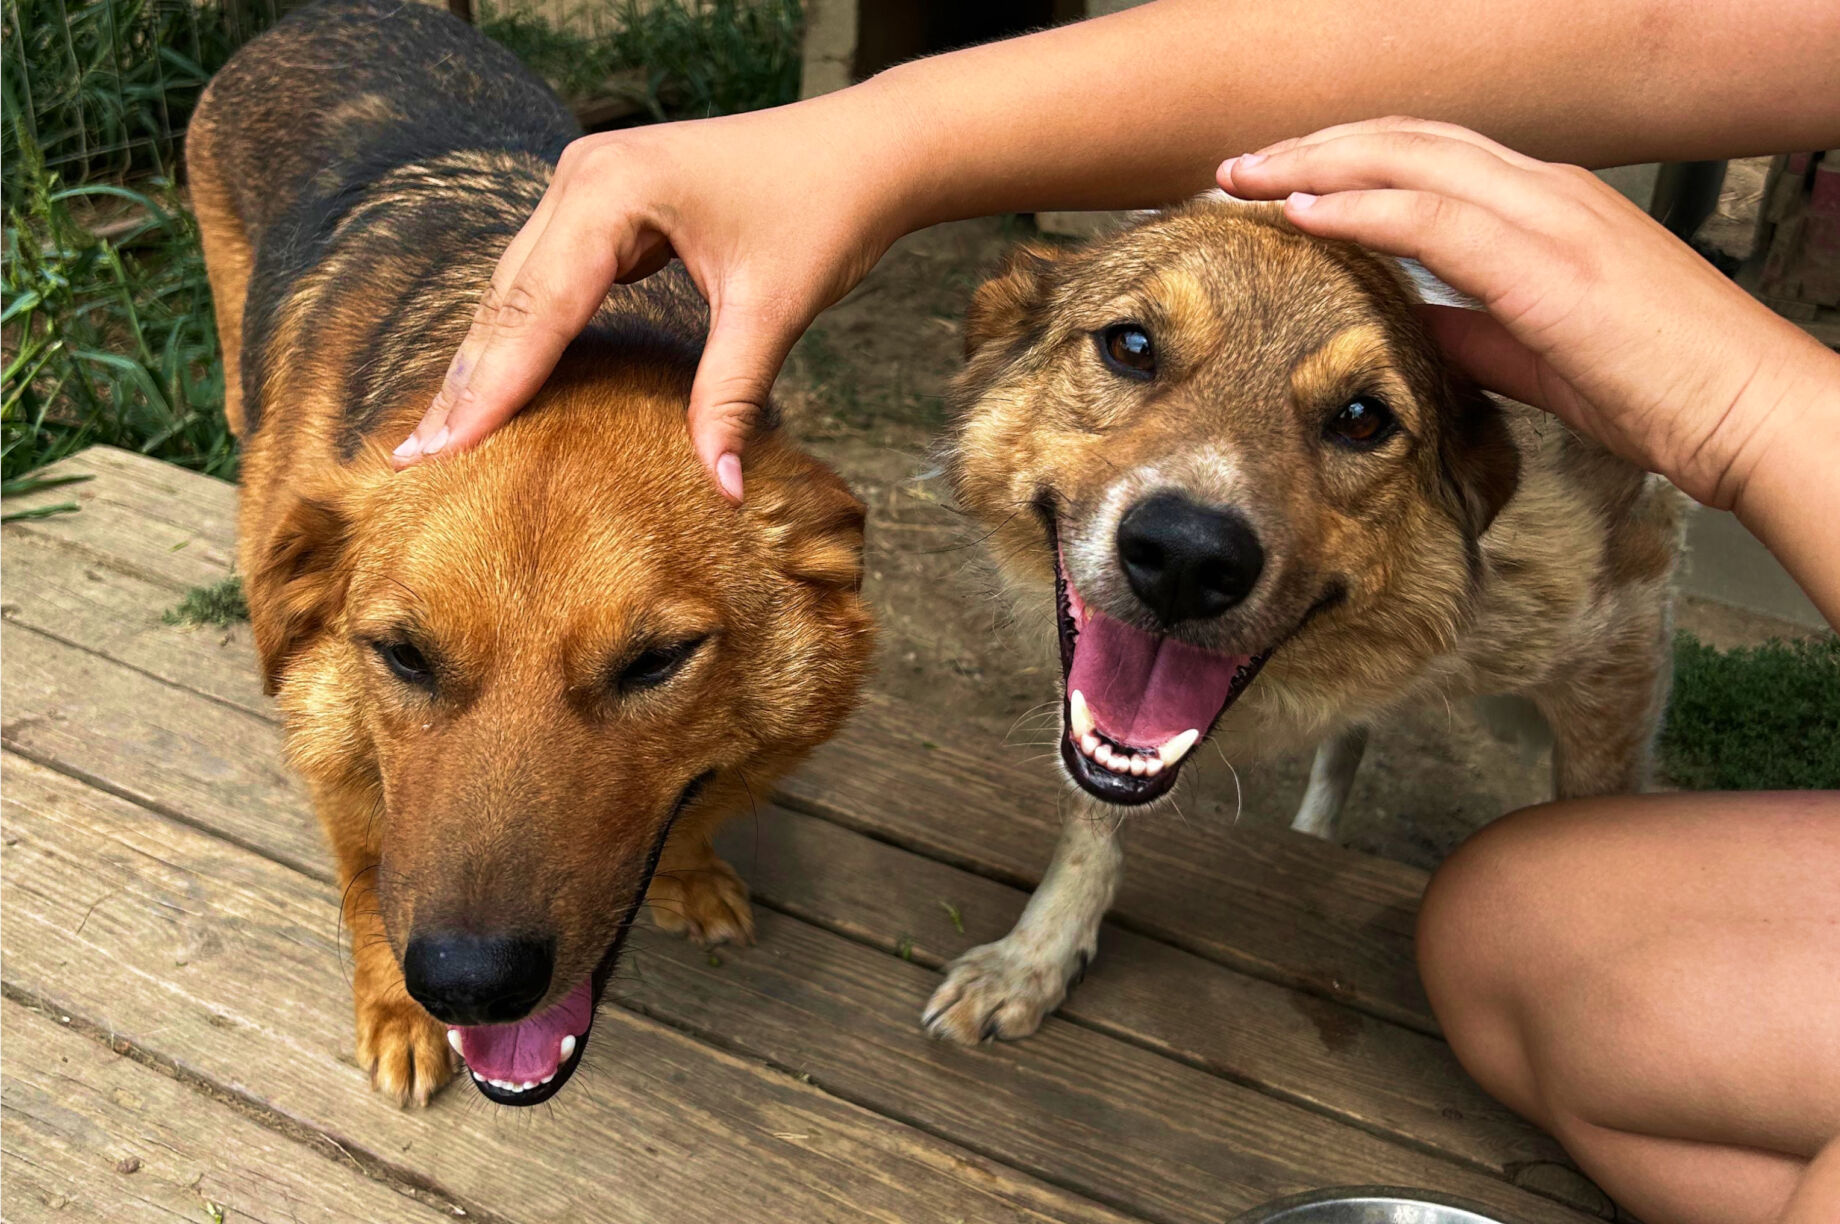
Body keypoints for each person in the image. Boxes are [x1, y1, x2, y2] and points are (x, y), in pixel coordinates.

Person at [391, 3, 1840, 1220]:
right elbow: (1670, 29)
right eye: (1133, 350)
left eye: (1358, 420)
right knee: (1500, 926)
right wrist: (874, 145)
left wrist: (1735, 408)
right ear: (1010, 355)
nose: (1200, 521)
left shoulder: (1521, 553)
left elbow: (1606, 632)